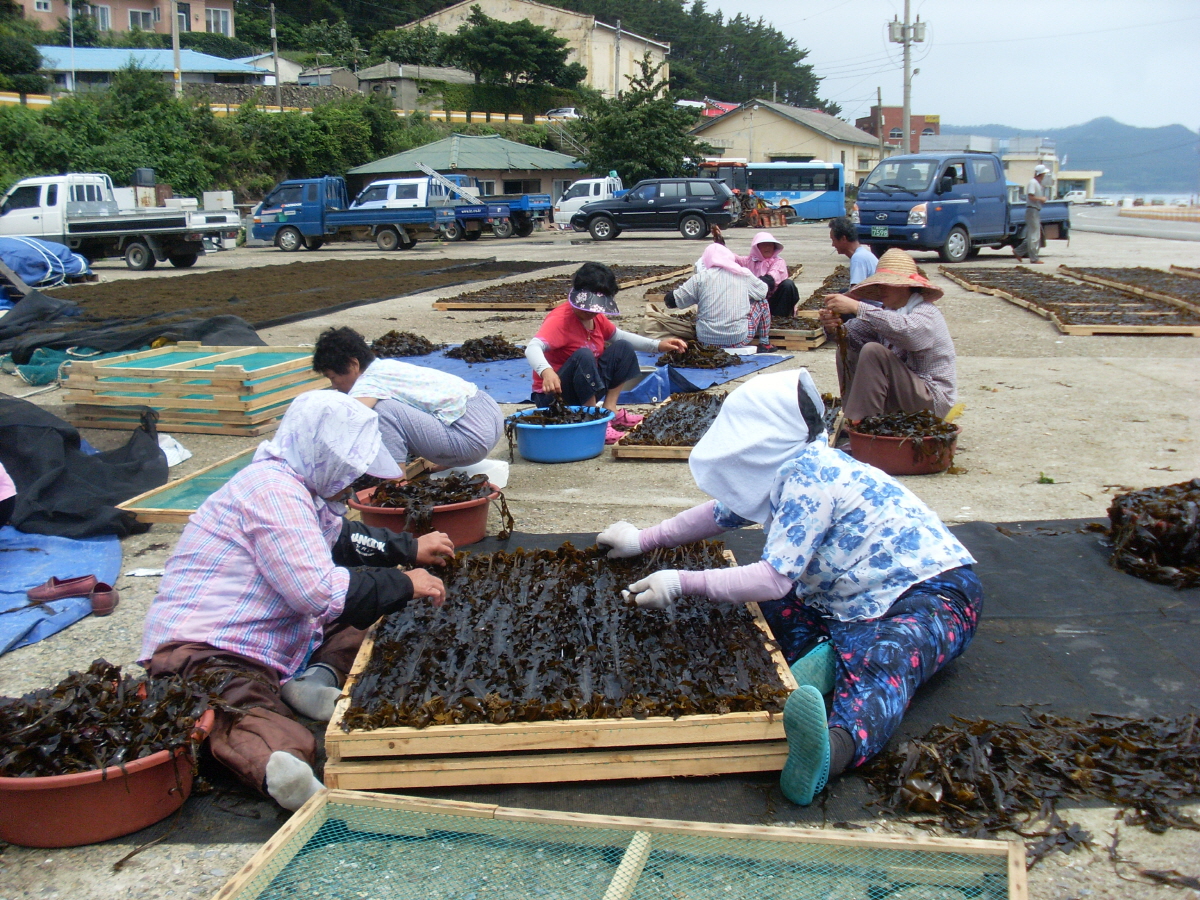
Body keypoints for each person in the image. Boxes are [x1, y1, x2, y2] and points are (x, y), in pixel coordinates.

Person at [595, 370, 981, 806]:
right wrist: (644, 539)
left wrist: (682, 582)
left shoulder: (810, 476)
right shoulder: (791, 464)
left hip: (931, 593)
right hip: (848, 596)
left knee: (887, 659)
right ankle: (833, 657)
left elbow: (772, 579)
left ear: (766, 434)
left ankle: (832, 750)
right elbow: (720, 514)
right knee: (758, 613)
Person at [139, 392, 454, 811]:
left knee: (370, 618)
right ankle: (277, 766)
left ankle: (312, 680)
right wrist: (403, 584)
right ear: (322, 455)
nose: (356, 480)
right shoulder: (270, 491)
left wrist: (408, 549)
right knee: (241, 711)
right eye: (350, 469)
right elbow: (317, 593)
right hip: (209, 650)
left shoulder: (305, 491)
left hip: (279, 634)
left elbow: (341, 539)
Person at [526, 262, 686, 444]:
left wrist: (658, 345)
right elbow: (533, 348)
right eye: (588, 308)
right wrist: (546, 372)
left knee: (623, 348)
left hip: (584, 385)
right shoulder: (561, 320)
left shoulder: (596, 317)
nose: (592, 313)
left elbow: (617, 336)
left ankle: (610, 411)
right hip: (554, 396)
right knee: (584, 355)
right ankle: (593, 418)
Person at [313, 326, 503, 471]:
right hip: (490, 415)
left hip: (471, 437)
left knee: (381, 412)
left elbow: (348, 419)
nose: (334, 386)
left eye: (333, 377)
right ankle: (446, 462)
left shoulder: (367, 383)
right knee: (397, 407)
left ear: (353, 364)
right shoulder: (387, 367)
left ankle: (397, 479)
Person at [819, 248, 957, 422]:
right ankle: (855, 419)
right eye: (879, 285)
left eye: (887, 284)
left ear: (905, 287)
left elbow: (909, 335)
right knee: (847, 349)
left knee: (873, 351)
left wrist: (858, 307)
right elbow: (852, 334)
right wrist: (834, 327)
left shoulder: (926, 312)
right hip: (906, 393)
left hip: (932, 397)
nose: (881, 289)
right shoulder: (888, 311)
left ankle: (864, 426)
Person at [664, 244, 771, 350]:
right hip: (739, 339)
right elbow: (763, 291)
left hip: (706, 341)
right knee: (762, 302)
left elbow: (672, 301)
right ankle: (764, 343)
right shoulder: (743, 274)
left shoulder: (700, 278)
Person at [714, 228, 802, 319]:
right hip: (755, 302)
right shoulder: (748, 261)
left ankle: (778, 319)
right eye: (764, 245)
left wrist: (750, 285)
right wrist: (720, 242)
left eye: (770, 245)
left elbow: (770, 280)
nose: (768, 248)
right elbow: (730, 257)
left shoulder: (778, 262)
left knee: (788, 285)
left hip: (775, 302)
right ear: (757, 248)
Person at [1014, 164, 1050, 264]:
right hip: (1032, 210)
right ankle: (1034, 258)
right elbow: (1030, 197)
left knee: (1032, 235)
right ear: (1040, 174)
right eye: (1043, 174)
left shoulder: (1036, 183)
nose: (1044, 176)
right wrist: (1041, 199)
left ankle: (1018, 251)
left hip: (1035, 210)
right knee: (1034, 235)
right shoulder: (1032, 183)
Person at [828, 216, 878, 287]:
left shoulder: (858, 258)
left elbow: (856, 291)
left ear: (843, 239)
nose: (833, 245)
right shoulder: (863, 254)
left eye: (834, 240)